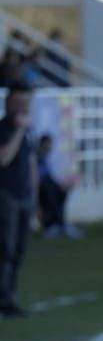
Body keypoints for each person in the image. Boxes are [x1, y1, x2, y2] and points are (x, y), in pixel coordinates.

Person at [0, 83, 37, 318]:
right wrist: (19, 131)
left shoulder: (29, 129)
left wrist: (36, 196)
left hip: (25, 197)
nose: (23, 106)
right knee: (5, 250)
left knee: (19, 251)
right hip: (6, 195)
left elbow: (31, 163)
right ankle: (3, 300)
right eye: (19, 101)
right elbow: (3, 158)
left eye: (26, 101)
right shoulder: (5, 128)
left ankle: (10, 296)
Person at [36, 133, 80, 238]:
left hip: (48, 187)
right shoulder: (37, 157)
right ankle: (53, 224)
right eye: (47, 144)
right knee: (51, 196)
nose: (49, 147)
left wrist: (60, 185)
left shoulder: (45, 159)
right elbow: (39, 177)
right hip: (41, 189)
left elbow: (50, 178)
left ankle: (60, 223)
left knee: (61, 193)